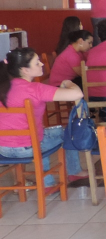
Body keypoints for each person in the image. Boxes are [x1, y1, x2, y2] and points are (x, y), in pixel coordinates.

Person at [0, 48, 85, 186]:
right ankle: (73, 172)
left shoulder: (3, 88)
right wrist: (67, 82)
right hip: (28, 148)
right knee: (68, 132)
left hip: (3, 148)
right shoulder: (35, 89)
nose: (42, 64)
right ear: (25, 70)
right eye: (37, 62)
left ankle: (27, 183)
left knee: (41, 134)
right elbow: (77, 94)